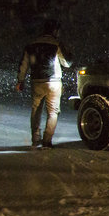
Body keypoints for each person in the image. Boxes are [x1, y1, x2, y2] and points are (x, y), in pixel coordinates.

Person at [16, 19, 73, 149]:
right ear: (55, 31)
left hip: (37, 82)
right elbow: (67, 63)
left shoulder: (31, 44)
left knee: (36, 110)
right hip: (53, 82)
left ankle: (35, 138)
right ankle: (47, 141)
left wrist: (20, 80)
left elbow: (24, 64)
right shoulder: (56, 44)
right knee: (53, 112)